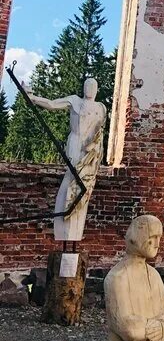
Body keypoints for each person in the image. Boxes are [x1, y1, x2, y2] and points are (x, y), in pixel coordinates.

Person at [23, 77, 106, 242]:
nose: (89, 88)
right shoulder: (75, 101)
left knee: (84, 187)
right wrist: (33, 98)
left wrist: (96, 153)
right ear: (83, 88)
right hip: (76, 145)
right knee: (71, 180)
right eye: (87, 85)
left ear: (97, 89)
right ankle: (64, 225)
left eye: (93, 86)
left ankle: (75, 229)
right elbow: (53, 104)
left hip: (91, 153)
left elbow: (100, 134)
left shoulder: (101, 108)